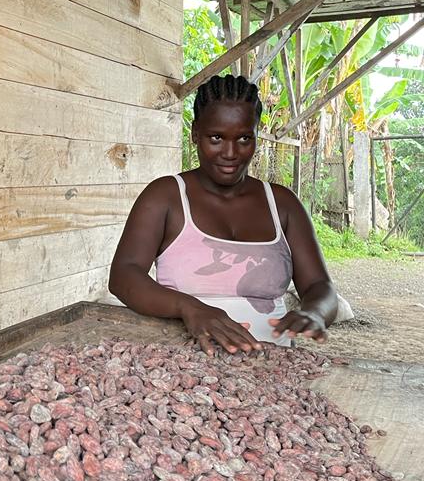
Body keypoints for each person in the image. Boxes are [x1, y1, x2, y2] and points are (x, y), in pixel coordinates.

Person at [109, 74, 337, 354]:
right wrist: (189, 307)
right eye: (216, 138)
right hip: (183, 369)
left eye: (243, 138)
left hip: (270, 369)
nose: (230, 153)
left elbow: (319, 286)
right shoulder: (165, 197)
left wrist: (314, 313)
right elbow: (123, 276)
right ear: (194, 133)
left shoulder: (282, 204)